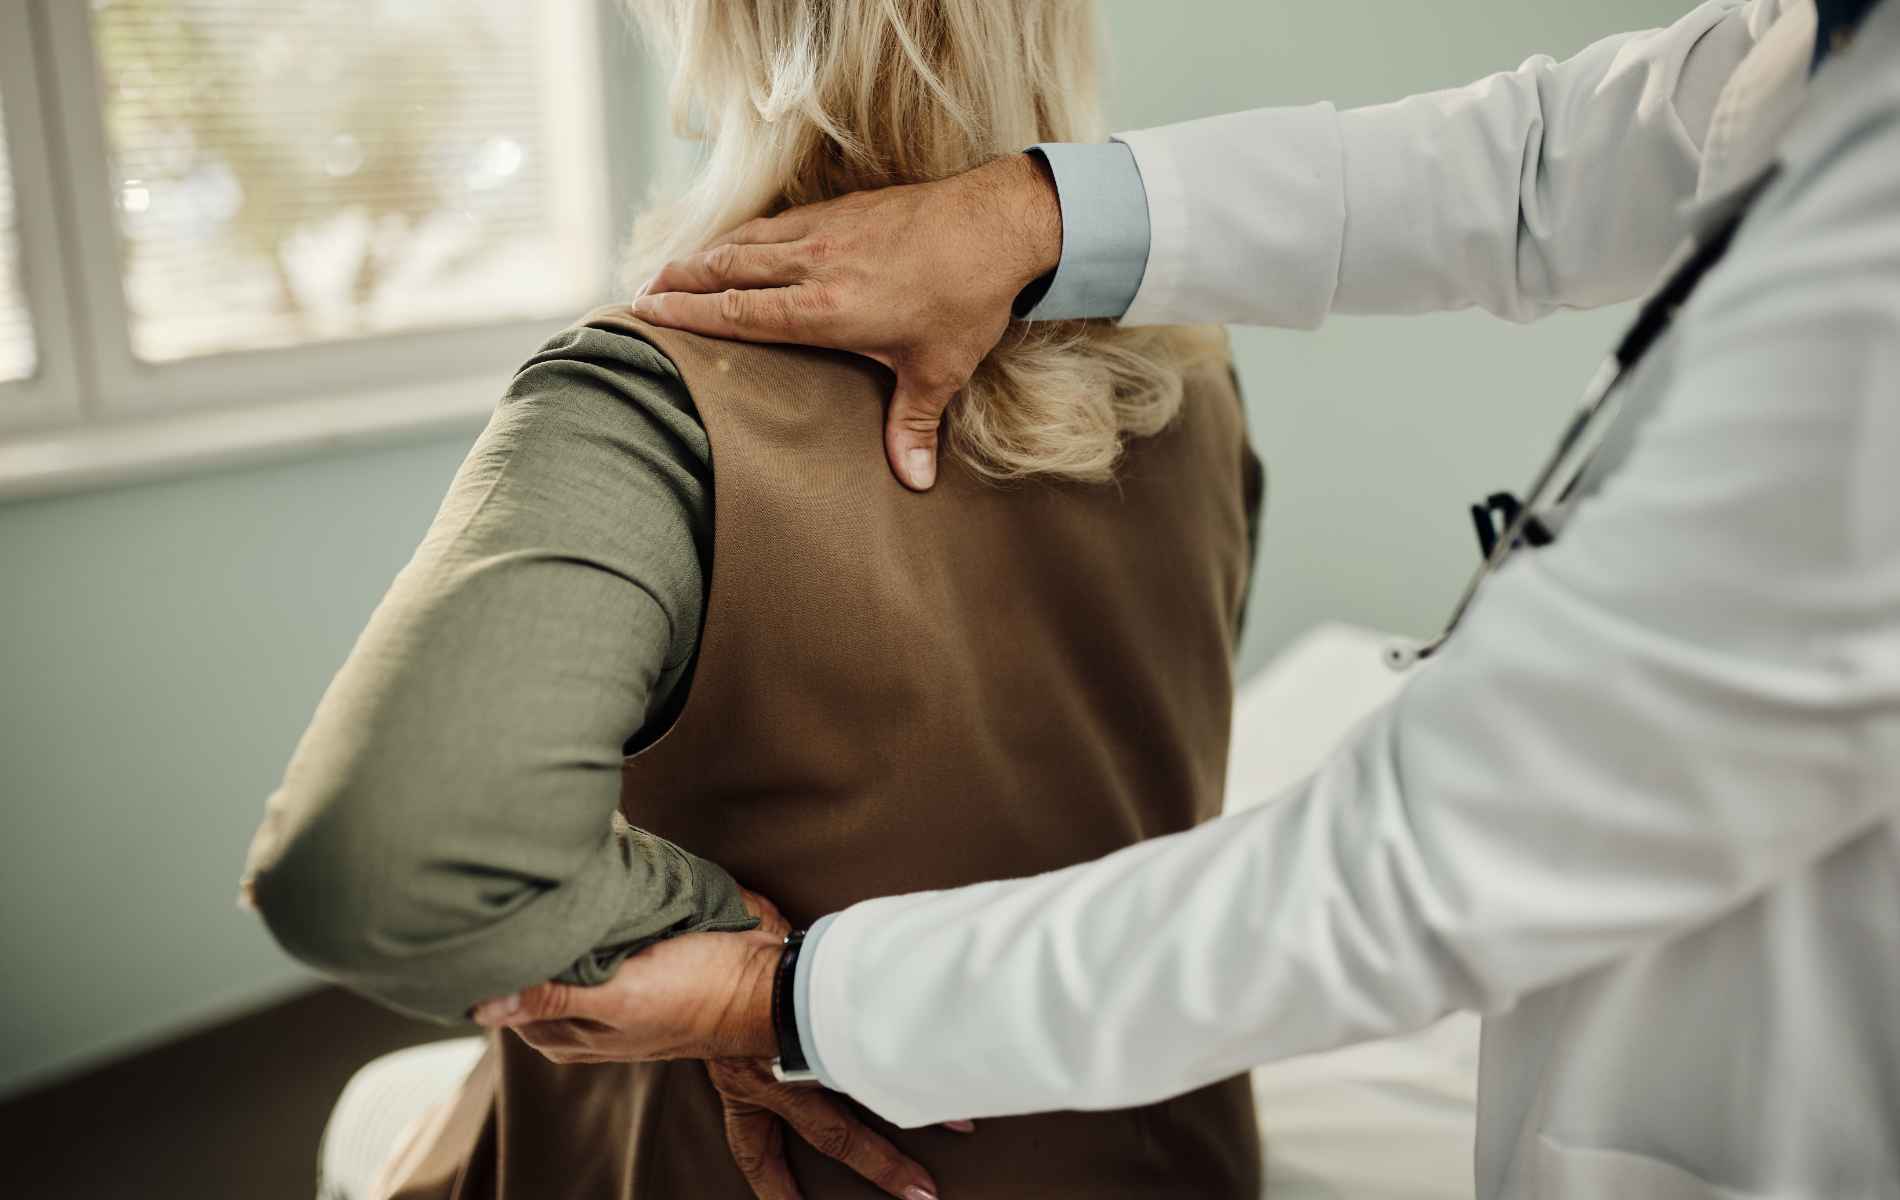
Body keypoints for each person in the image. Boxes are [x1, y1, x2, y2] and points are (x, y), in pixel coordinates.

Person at [469, 0, 1900, 1195]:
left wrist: (780, 999)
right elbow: (1555, 156)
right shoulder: (1188, 381)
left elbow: (1394, 880)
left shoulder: (637, 390)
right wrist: (1042, 206)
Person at [243, 1, 1269, 1197]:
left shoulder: (646, 400)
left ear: (710, 41)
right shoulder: (1193, 365)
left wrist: (744, 967)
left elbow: (388, 867)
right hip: (1165, 1144)